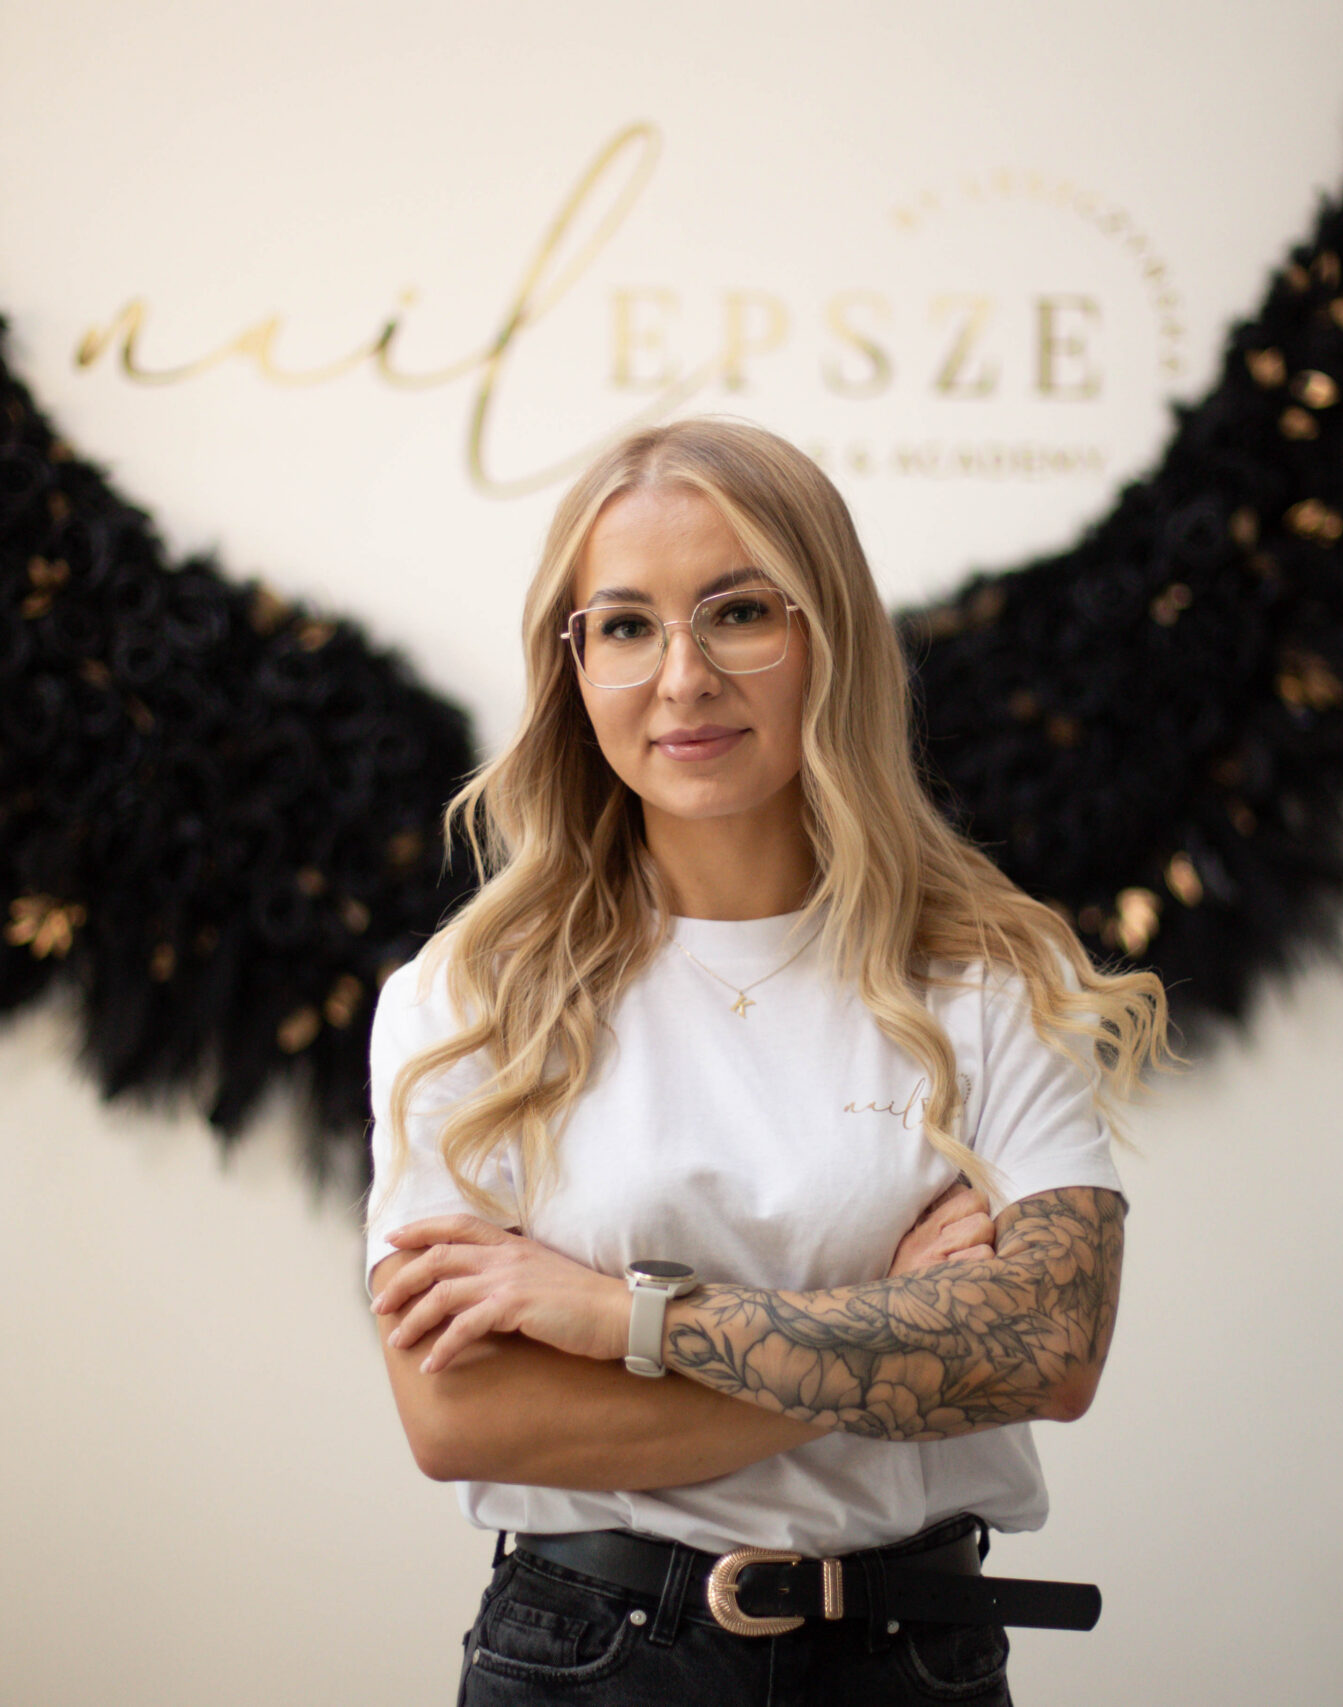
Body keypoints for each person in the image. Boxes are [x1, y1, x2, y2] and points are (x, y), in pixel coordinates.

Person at [364, 417, 1170, 1705]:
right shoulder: (470, 998)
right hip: (591, 1660)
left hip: (912, 1664)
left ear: (827, 636)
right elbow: (464, 1419)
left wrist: (620, 1320)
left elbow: (1050, 1345)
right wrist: (894, 1337)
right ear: (574, 666)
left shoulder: (987, 974)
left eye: (738, 613)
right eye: (626, 627)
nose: (682, 678)